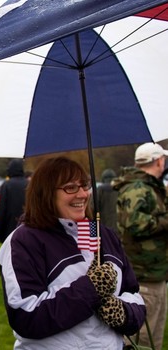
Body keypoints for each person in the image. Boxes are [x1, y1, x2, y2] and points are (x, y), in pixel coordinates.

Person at [0, 156, 145, 349]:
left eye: (84, 186)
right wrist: (90, 289)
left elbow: (134, 295)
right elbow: (27, 317)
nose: (82, 194)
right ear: (46, 193)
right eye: (70, 188)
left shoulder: (102, 234)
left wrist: (122, 312)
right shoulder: (24, 241)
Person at [113, 142, 168, 349]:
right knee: (141, 338)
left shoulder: (149, 186)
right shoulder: (138, 188)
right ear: (159, 161)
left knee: (154, 334)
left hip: (155, 272)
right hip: (144, 273)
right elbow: (134, 223)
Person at [0, 158, 28, 243]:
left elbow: (2, 209)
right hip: (28, 227)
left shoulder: (7, 185)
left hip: (10, 228)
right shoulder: (30, 184)